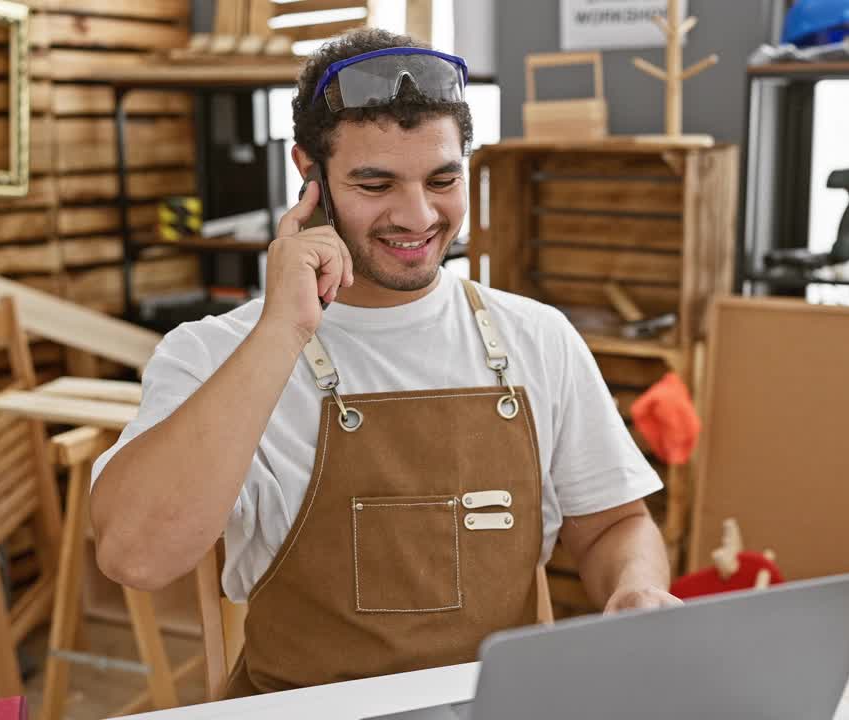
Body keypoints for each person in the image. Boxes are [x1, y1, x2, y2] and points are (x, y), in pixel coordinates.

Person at [89, 28, 679, 697]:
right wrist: (282, 331)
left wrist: (637, 588)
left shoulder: (537, 338)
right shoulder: (216, 352)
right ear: (308, 173)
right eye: (375, 183)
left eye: (443, 179)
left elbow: (614, 525)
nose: (417, 215)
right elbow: (135, 556)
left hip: (487, 710)